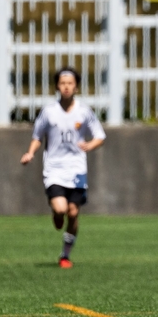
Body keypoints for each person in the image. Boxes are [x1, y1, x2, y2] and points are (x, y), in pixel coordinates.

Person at [20, 67, 106, 269]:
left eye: (70, 83)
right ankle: (57, 214)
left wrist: (89, 145)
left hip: (76, 169)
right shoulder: (49, 111)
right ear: (57, 86)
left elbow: (100, 136)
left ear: (76, 86)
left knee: (74, 213)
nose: (66, 87)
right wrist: (30, 153)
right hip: (54, 169)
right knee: (61, 209)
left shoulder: (84, 111)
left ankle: (65, 255)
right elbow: (37, 136)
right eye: (62, 83)